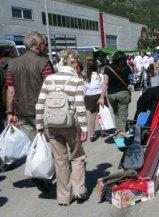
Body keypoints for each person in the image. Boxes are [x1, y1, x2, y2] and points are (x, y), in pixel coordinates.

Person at [35, 49, 88, 206]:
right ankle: (78, 190)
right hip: (70, 124)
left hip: (51, 124)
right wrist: (84, 128)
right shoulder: (76, 80)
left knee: (60, 160)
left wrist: (39, 125)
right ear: (73, 63)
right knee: (77, 156)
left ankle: (64, 197)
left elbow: (40, 104)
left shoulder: (49, 79)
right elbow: (80, 106)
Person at [99, 51, 131, 134]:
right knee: (123, 116)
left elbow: (105, 83)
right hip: (123, 93)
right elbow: (130, 80)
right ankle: (121, 136)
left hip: (111, 94)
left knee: (117, 115)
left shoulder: (108, 68)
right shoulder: (126, 67)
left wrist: (102, 97)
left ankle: (119, 135)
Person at [83, 59, 107, 141]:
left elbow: (84, 89)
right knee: (102, 114)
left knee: (91, 117)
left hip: (89, 96)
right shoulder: (100, 76)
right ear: (96, 67)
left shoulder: (86, 77)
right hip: (99, 95)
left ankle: (92, 134)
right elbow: (104, 85)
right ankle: (103, 130)